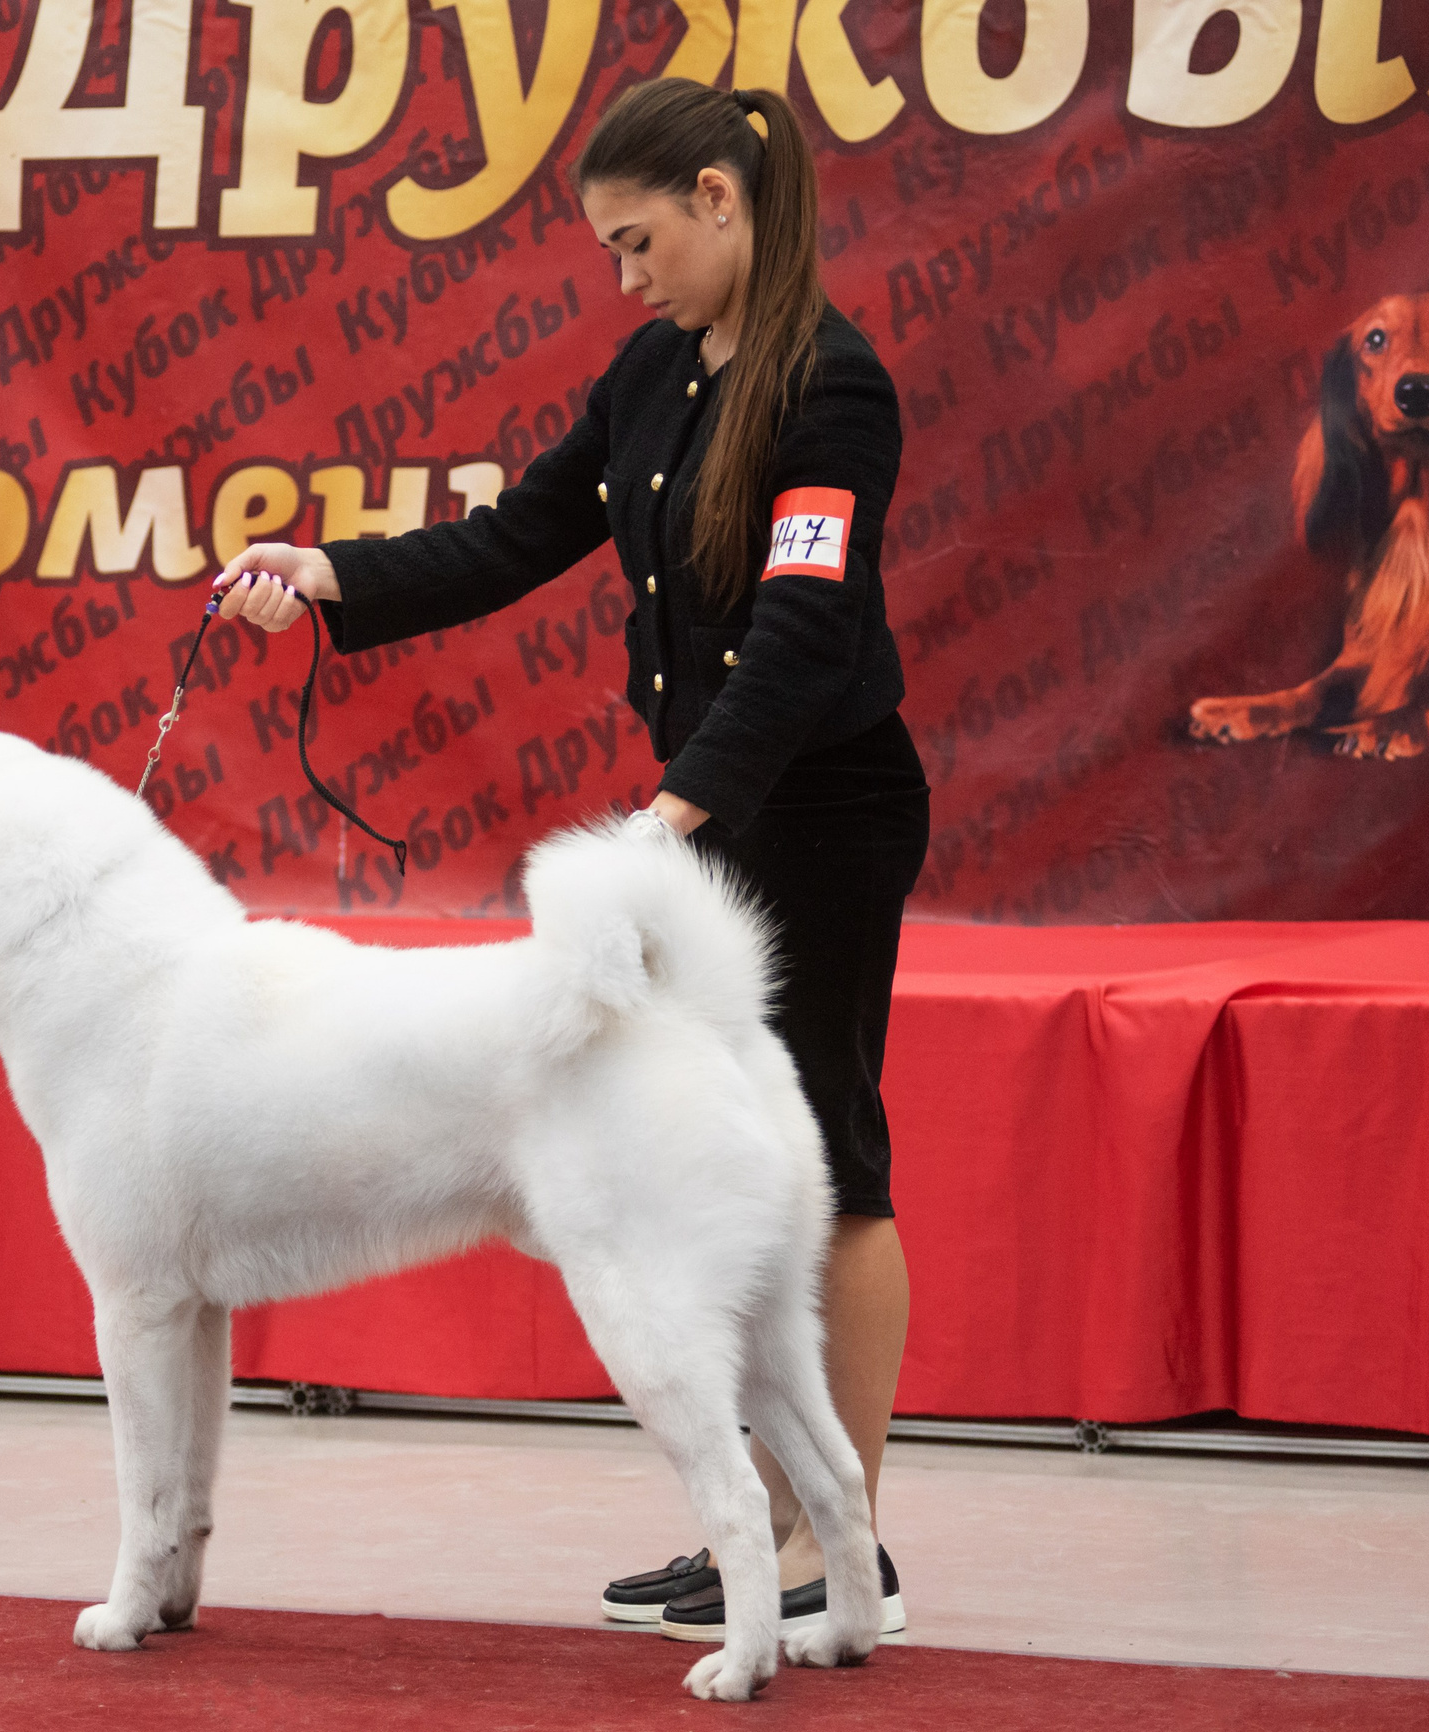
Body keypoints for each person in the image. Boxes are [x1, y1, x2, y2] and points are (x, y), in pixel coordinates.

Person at [210, 77, 925, 1644]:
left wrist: (677, 815)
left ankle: (836, 1541)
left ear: (723, 203)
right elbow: (520, 534)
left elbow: (805, 640)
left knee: (831, 1159)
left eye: (640, 241)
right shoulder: (654, 373)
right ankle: (768, 1520)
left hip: (811, 816)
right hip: (702, 825)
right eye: (611, 254)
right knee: (713, 1168)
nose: (627, 278)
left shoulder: (832, 389)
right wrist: (325, 575)